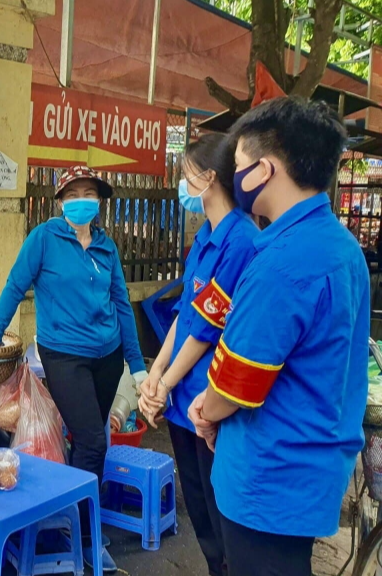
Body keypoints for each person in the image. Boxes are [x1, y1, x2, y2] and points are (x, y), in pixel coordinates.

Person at [185, 97, 368, 576]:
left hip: (267, 479)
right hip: (308, 474)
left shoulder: (283, 264)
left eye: (240, 164)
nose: (235, 174)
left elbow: (234, 385)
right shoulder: (340, 246)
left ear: (264, 169)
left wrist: (204, 410)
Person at [0, 165, 148, 573]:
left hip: (108, 356)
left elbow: (121, 304)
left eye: (90, 193)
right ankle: (85, 537)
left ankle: (78, 523)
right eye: (74, 193)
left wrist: (137, 367)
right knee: (94, 443)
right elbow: (14, 286)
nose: (83, 199)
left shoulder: (106, 247)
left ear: (98, 201)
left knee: (89, 443)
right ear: (61, 201)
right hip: (64, 355)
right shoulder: (43, 239)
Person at [136, 133, 259, 576]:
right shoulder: (205, 236)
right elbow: (184, 317)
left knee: (219, 510)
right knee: (201, 516)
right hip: (181, 400)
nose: (182, 184)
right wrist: (155, 377)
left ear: (209, 178)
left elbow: (207, 331)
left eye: (186, 175)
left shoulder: (241, 241)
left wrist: (164, 384)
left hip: (210, 401)